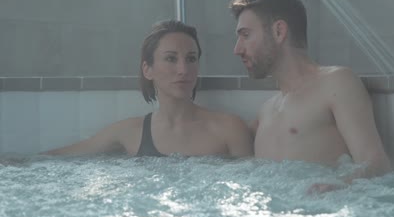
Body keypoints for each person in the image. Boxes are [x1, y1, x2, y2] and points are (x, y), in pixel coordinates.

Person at [229, 0, 391, 192]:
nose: (237, 49)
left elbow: (377, 165)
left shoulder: (336, 83)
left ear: (279, 31)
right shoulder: (266, 111)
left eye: (245, 35)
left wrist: (339, 186)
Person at [45, 20, 253, 158]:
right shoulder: (129, 132)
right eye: (171, 59)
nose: (183, 70)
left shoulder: (229, 129)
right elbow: (58, 158)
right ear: (148, 69)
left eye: (191, 59)